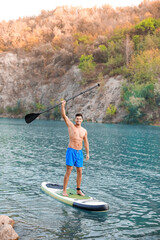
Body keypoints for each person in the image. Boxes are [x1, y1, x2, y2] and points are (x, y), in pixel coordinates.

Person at [61, 100, 89, 197]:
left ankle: (78, 190)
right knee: (69, 170)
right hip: (71, 151)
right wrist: (63, 106)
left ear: (82, 120)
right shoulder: (71, 126)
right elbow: (64, 116)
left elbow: (86, 142)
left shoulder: (84, 131)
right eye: (77, 119)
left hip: (79, 153)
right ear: (75, 120)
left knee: (80, 171)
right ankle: (64, 190)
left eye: (80, 119)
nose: (78, 120)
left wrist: (88, 153)